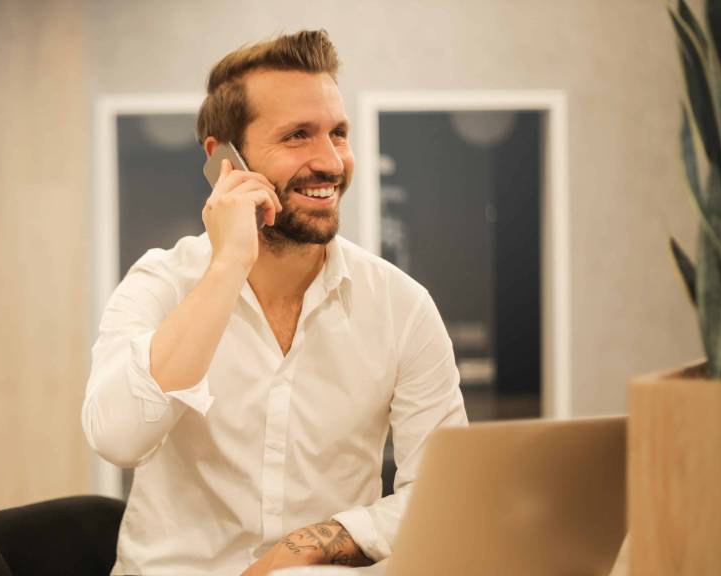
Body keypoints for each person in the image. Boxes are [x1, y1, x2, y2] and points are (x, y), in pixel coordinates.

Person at [82, 29, 468, 575]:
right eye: (298, 136)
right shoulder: (161, 283)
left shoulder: (400, 306)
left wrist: (310, 544)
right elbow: (118, 438)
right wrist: (227, 266)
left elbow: (442, 496)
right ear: (224, 162)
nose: (330, 161)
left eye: (338, 133)